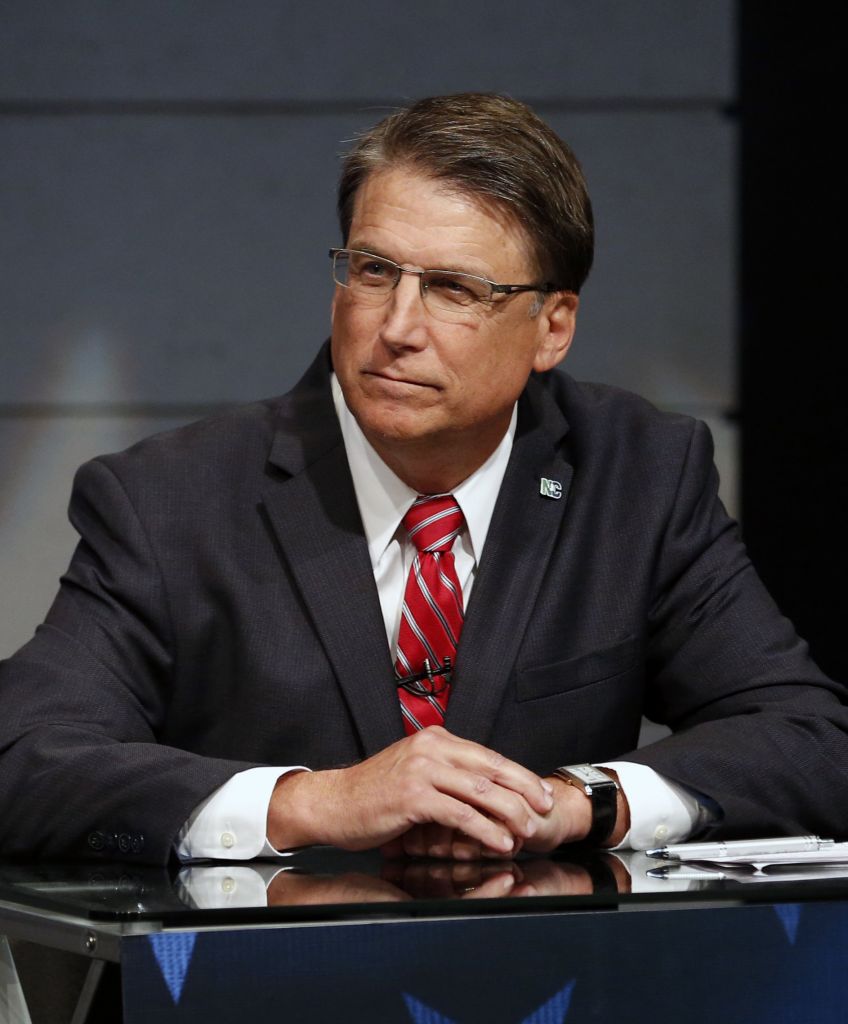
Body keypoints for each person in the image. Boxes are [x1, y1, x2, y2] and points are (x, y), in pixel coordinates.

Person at [1, 93, 846, 868]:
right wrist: (311, 802)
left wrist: (581, 801)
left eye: (453, 289)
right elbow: (26, 758)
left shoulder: (636, 476)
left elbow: (812, 739)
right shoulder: (170, 502)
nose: (396, 327)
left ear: (552, 327)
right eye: (372, 271)